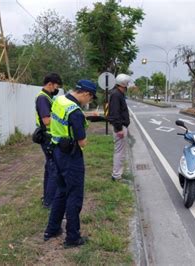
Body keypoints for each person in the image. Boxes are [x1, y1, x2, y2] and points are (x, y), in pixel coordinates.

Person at [43, 79, 97, 248]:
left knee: (61, 191)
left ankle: (52, 229)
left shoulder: (60, 100)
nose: (89, 102)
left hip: (57, 152)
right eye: (90, 99)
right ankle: (72, 237)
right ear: (86, 94)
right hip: (71, 157)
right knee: (74, 196)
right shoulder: (75, 112)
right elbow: (82, 142)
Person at [35, 73, 62, 208]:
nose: (56, 89)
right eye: (56, 86)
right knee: (53, 169)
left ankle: (47, 197)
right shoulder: (43, 99)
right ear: (50, 84)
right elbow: (46, 121)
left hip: (49, 137)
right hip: (47, 138)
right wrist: (62, 120)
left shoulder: (48, 97)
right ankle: (49, 202)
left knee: (49, 168)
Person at [107, 74, 131, 181]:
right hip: (120, 128)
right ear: (123, 84)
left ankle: (118, 173)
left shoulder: (117, 94)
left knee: (120, 151)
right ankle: (116, 175)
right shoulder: (117, 95)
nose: (127, 86)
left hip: (120, 126)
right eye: (127, 84)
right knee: (119, 152)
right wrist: (119, 128)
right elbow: (115, 114)